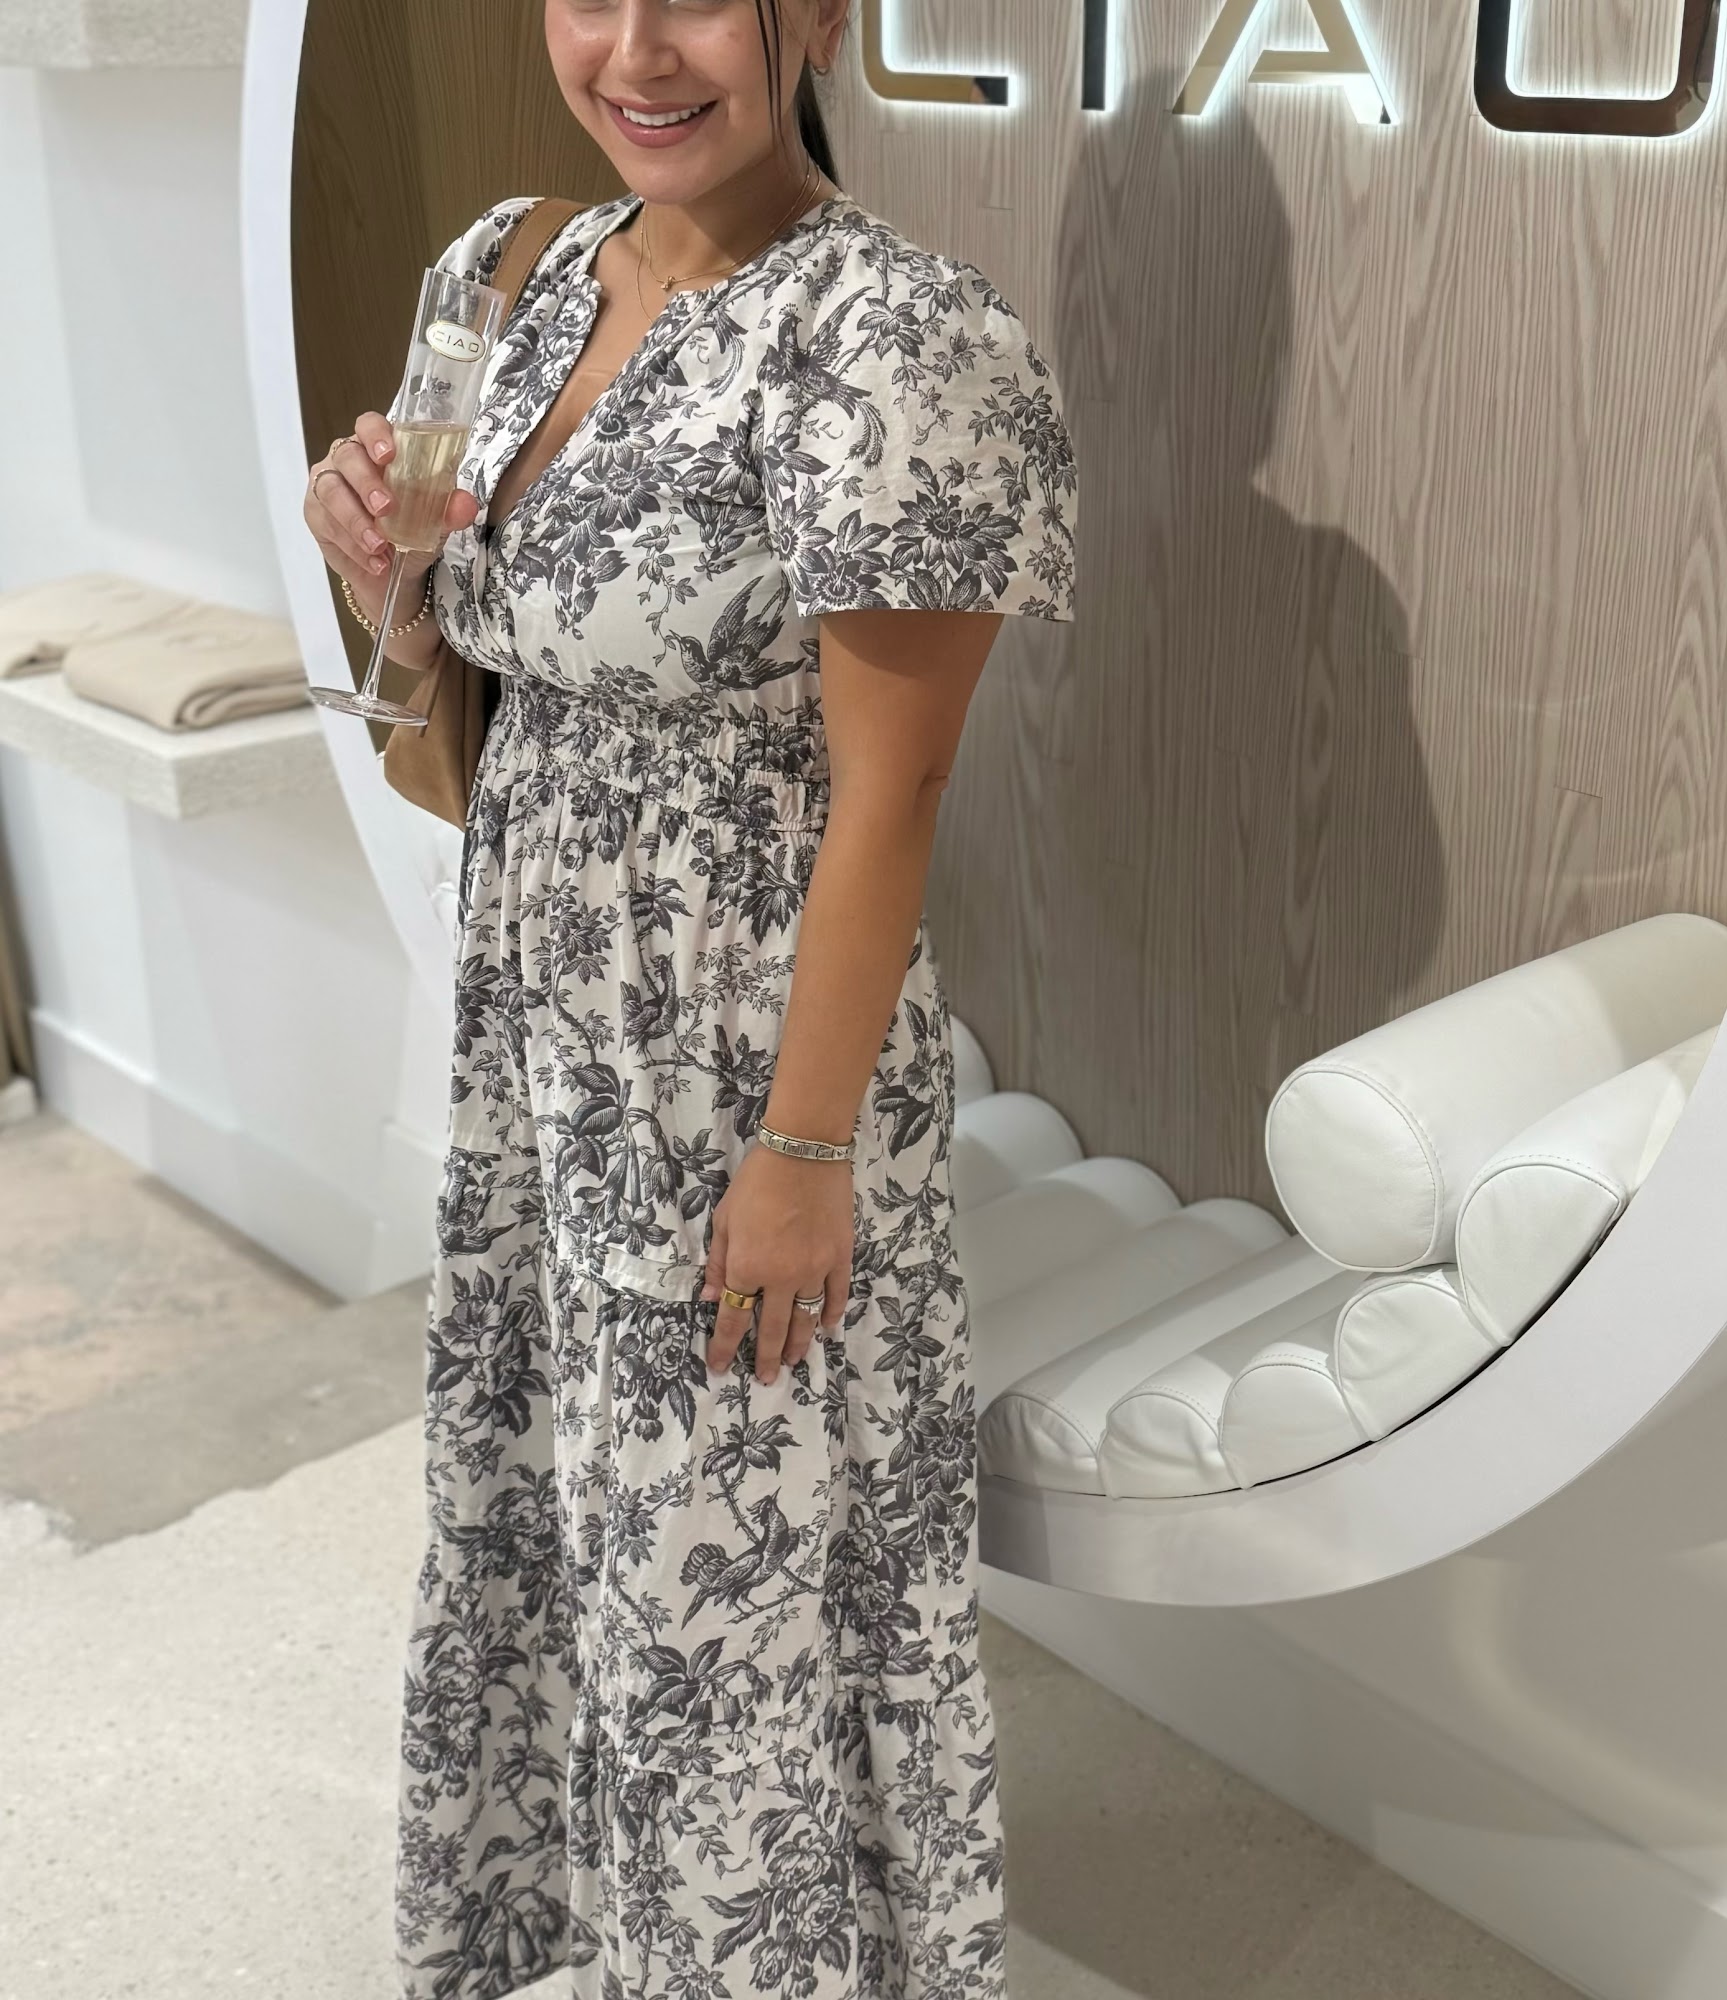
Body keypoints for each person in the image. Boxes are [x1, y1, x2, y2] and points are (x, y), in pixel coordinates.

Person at [300, 3, 1078, 1994]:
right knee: (563, 1501)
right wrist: (382, 565)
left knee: (723, 1559)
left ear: (813, 16)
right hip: (539, 1018)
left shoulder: (893, 337)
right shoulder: (504, 273)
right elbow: (446, 675)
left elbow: (895, 792)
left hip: (738, 1046)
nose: (637, 53)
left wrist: (804, 1155)